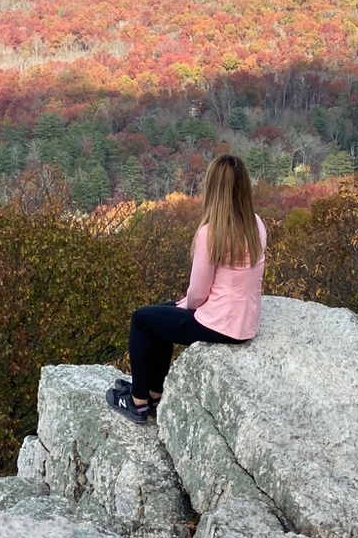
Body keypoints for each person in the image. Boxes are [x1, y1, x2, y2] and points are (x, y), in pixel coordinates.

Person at [106, 153, 266, 424]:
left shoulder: (211, 232)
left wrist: (187, 305)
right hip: (244, 323)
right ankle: (154, 394)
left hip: (219, 325)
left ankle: (138, 402)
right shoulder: (256, 223)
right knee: (162, 315)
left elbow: (198, 293)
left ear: (212, 188)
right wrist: (181, 305)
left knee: (142, 319)